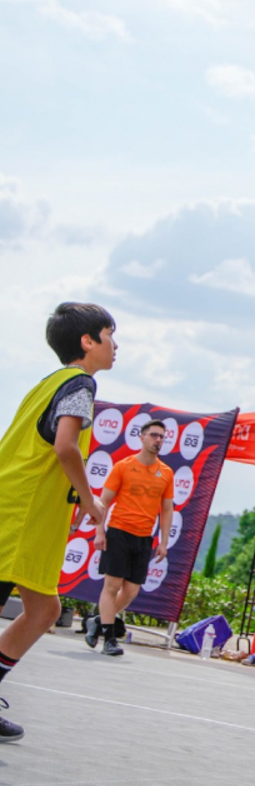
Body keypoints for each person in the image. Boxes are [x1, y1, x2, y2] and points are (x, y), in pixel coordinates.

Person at [0, 303, 116, 741]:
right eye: (109, 334)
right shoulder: (80, 384)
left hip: (19, 504)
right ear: (88, 342)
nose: (115, 344)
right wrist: (89, 501)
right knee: (39, 608)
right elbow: (66, 447)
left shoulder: (51, 381)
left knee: (45, 609)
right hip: (18, 510)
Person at [83, 419, 174, 656]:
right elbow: (103, 502)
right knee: (111, 586)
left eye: (162, 437)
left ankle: (98, 621)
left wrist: (163, 542)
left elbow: (166, 510)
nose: (158, 440)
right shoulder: (123, 466)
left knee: (131, 591)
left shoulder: (166, 473)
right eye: (154, 435)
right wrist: (99, 532)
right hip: (119, 532)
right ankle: (109, 639)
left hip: (144, 537)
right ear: (142, 437)